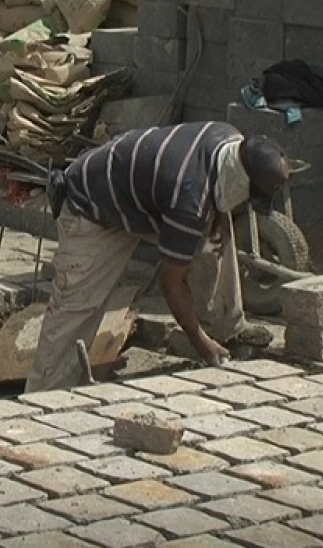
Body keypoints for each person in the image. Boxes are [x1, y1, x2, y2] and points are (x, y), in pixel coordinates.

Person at [26, 121, 289, 393]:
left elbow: (217, 185)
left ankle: (226, 330)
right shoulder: (188, 199)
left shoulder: (229, 135)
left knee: (215, 240)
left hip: (144, 196)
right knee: (76, 307)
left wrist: (219, 217)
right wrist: (199, 341)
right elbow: (170, 283)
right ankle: (43, 399)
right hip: (91, 206)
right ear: (239, 180)